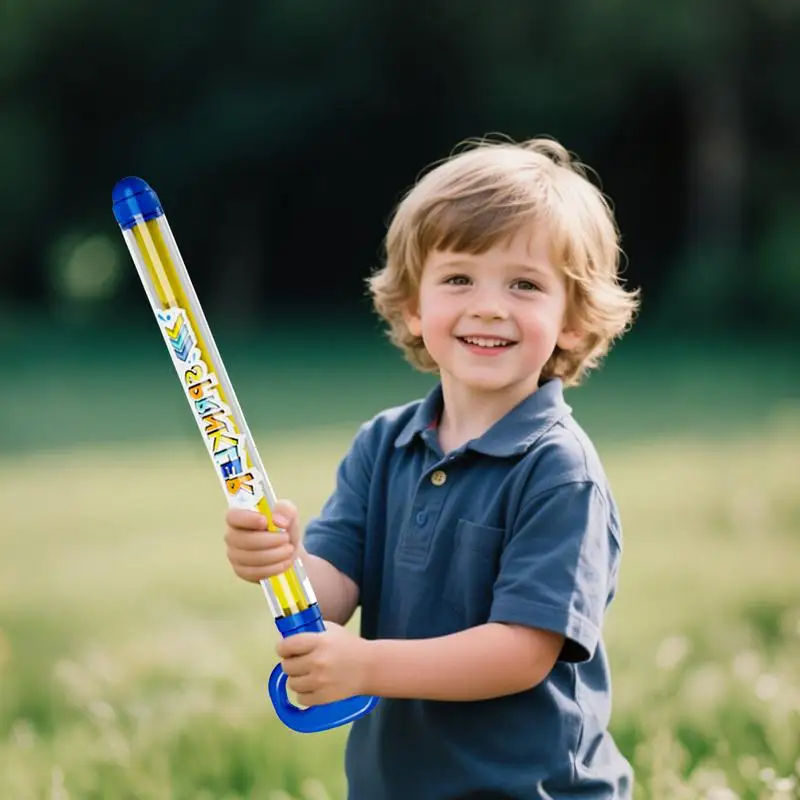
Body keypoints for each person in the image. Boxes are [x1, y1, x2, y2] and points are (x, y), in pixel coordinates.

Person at [224, 136, 640, 800]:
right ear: (416, 307)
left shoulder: (560, 471)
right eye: (458, 279)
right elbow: (329, 596)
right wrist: (280, 560)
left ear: (572, 319)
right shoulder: (382, 444)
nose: (489, 306)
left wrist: (366, 665)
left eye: (525, 285)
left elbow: (521, 653)